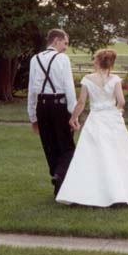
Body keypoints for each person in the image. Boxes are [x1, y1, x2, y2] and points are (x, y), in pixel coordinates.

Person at [56, 49, 128, 207]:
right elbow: (121, 101)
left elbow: (81, 102)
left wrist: (73, 118)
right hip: (112, 119)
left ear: (98, 61)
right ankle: (120, 192)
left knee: (91, 155)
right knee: (116, 154)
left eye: (95, 59)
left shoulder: (87, 79)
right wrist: (117, 112)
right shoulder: (115, 80)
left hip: (96, 119)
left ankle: (86, 194)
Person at [27, 29, 77, 196]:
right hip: (58, 106)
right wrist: (73, 115)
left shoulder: (35, 59)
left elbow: (32, 90)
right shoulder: (63, 59)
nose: (66, 47)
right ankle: (59, 175)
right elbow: (69, 88)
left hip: (42, 106)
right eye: (65, 43)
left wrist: (33, 116)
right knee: (68, 147)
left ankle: (58, 183)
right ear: (56, 40)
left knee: (49, 146)